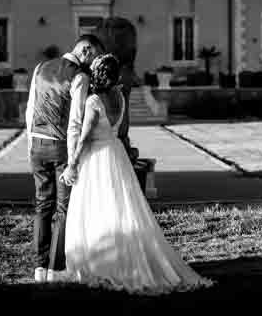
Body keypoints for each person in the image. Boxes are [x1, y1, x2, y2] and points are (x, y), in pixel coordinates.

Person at [61, 53, 214, 294]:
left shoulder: (93, 101)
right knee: (121, 206)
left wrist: (72, 164)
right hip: (116, 153)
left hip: (97, 158)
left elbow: (84, 136)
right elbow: (118, 129)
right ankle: (119, 254)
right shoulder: (120, 97)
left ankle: (102, 263)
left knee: (97, 205)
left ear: (97, 74)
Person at [25, 34, 104, 283]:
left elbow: (30, 109)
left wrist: (31, 144)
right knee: (62, 208)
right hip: (60, 147)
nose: (94, 64)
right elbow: (75, 123)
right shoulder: (79, 76)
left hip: (37, 144)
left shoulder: (40, 68)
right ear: (86, 50)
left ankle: (39, 268)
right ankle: (55, 269)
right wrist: (72, 161)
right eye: (95, 56)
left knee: (42, 205)